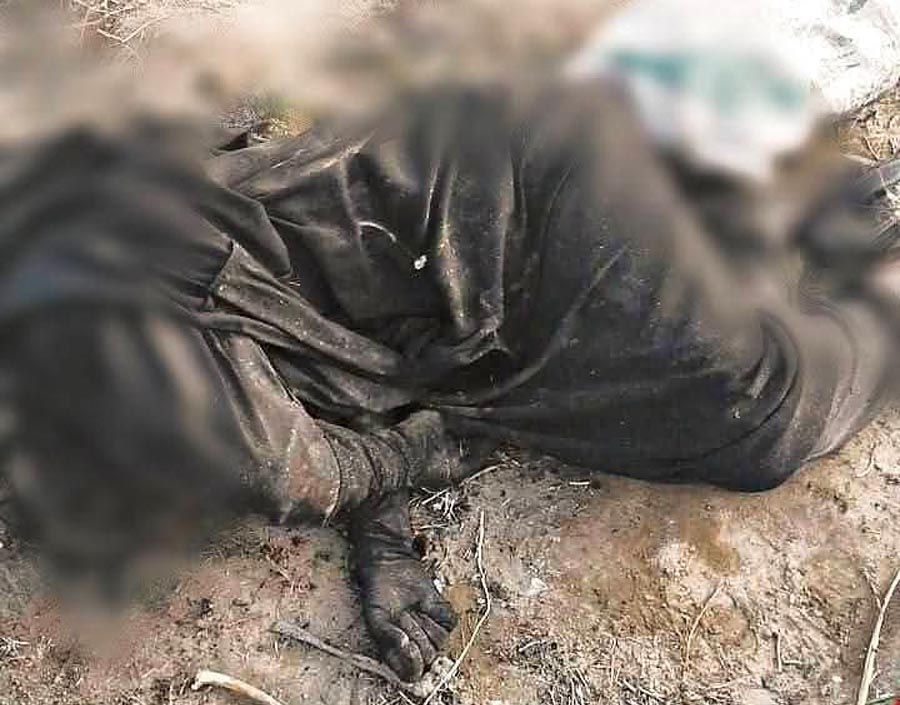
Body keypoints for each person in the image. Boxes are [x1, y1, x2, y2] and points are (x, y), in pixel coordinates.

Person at [0, 78, 897, 682]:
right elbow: (318, 390)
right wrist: (385, 535)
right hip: (489, 156)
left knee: (759, 417)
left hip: (517, 235)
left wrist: (411, 467)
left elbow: (305, 467)